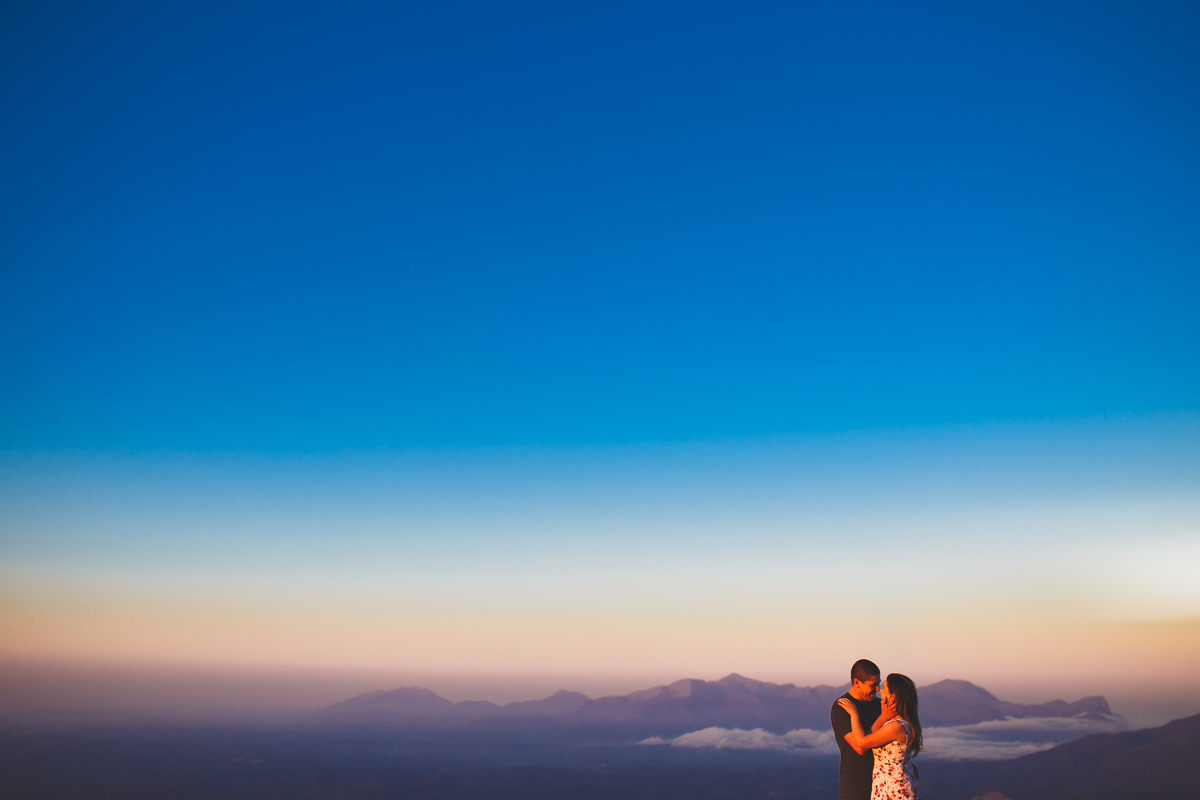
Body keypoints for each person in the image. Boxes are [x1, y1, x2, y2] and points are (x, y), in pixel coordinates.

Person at [836, 672, 923, 800]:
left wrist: (854, 714)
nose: (879, 691)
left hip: (893, 790)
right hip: (892, 787)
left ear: (892, 696)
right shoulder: (902, 724)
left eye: (884, 687)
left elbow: (861, 743)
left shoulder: (895, 727)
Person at [830, 659, 884, 800]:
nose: (877, 689)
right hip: (856, 787)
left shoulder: (880, 706)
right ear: (856, 683)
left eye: (878, 684)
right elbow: (859, 747)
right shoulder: (842, 707)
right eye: (872, 685)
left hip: (884, 784)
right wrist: (884, 718)